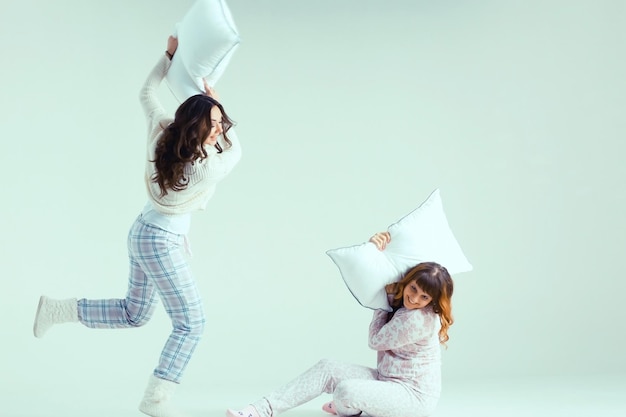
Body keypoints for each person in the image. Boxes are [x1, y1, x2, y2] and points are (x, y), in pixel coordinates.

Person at [32, 35, 241, 417]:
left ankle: (58, 310)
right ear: (196, 126)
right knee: (192, 323)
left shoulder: (162, 131)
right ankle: (156, 398)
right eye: (213, 125)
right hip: (159, 240)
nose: (218, 129)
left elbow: (146, 91)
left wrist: (169, 58)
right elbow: (236, 150)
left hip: (144, 233)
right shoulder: (205, 166)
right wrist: (220, 104)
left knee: (135, 313)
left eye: (218, 124)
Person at [226, 231, 454, 417]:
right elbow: (386, 270)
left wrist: (380, 304)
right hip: (386, 380)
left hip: (412, 397)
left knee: (345, 391)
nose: (414, 299)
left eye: (424, 297)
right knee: (327, 368)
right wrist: (376, 250)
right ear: (408, 281)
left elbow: (375, 341)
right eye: (412, 288)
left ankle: (352, 407)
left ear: (432, 302)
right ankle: (258, 410)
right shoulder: (407, 299)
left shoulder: (417, 319)